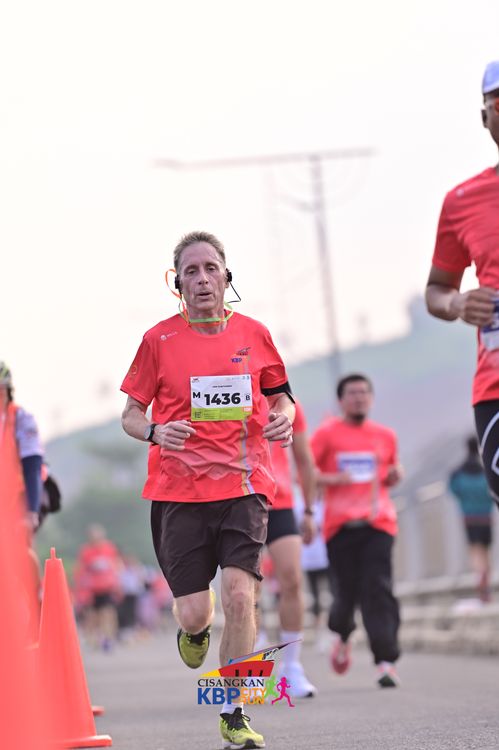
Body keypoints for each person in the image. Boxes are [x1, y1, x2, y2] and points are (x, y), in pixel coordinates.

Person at [121, 231, 295, 749]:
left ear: (226, 275)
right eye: (191, 271)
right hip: (179, 492)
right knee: (198, 610)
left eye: (210, 268)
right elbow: (131, 415)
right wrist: (156, 431)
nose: (202, 279)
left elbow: (282, 397)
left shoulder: (255, 334)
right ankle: (193, 630)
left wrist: (284, 418)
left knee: (242, 596)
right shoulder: (158, 341)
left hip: (244, 485)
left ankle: (234, 709)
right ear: (177, 283)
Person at [425, 60, 499, 508]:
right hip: (495, 389)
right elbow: (436, 289)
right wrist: (457, 304)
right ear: (485, 116)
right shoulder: (461, 201)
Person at [311, 373, 403, 688]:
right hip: (340, 527)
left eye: (364, 392)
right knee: (345, 594)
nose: (359, 398)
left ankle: (386, 661)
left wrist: (395, 475)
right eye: (352, 393)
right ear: (341, 400)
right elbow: (305, 473)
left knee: (378, 588)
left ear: (371, 398)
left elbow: (391, 469)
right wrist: (333, 479)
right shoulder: (327, 434)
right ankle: (342, 633)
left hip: (379, 523)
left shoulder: (385, 435)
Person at [264, 399, 318, 698]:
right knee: (245, 588)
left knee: (292, 578)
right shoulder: (226, 389)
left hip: (280, 501)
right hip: (238, 500)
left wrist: (308, 510)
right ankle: (251, 661)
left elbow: (304, 460)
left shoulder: (288, 404)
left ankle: (292, 666)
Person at [449, 435, 495, 603]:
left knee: (475, 550)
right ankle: (486, 582)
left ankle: (479, 575)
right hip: (486, 516)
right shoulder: (485, 471)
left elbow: (453, 489)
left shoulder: (458, 472)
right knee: (486, 551)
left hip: (469, 517)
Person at [0, 362, 43, 532]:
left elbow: (32, 467)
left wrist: (32, 511)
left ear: (8, 391)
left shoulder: (21, 419)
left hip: (21, 493)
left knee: (17, 537)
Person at [77, 524, 121, 650]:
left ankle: (108, 639)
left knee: (108, 613)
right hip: (91, 589)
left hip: (107, 587)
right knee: (92, 616)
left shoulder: (109, 548)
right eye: (93, 536)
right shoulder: (86, 551)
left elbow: (115, 565)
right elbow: (81, 569)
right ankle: (93, 640)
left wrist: (117, 583)